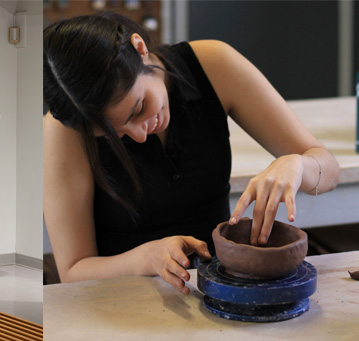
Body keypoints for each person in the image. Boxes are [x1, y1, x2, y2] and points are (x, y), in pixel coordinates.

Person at [41, 12, 340, 294]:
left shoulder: (214, 64)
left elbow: (327, 166)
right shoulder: (65, 129)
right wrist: (145, 258)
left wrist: (298, 165)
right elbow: (73, 270)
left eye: (139, 108)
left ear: (140, 48)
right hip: (125, 301)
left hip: (224, 287)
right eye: (114, 134)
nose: (139, 134)